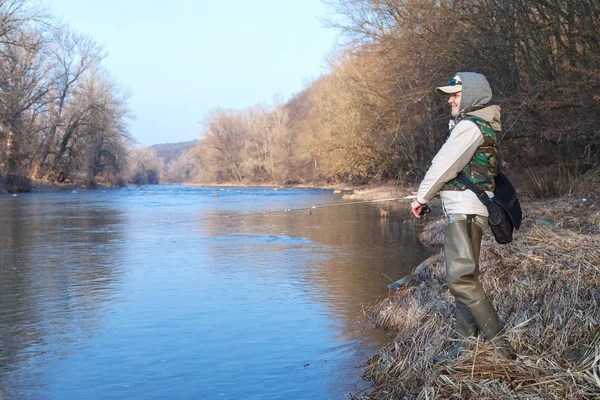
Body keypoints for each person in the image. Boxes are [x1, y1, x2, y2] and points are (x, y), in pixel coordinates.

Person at [410, 72, 515, 361]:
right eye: (450, 94)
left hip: (466, 212)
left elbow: (445, 165)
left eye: (455, 94)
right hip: (466, 211)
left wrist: (421, 197)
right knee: (464, 280)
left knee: (461, 281)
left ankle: (503, 350)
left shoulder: (470, 127)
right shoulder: (475, 125)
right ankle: (465, 349)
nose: (450, 100)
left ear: (471, 95)